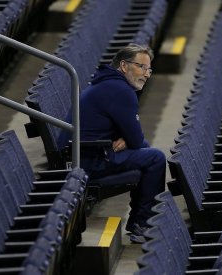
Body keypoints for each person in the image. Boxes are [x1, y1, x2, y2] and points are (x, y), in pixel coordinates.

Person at [78, 43, 166, 243]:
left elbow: (134, 139)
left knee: (146, 151)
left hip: (87, 153)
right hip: (89, 160)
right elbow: (136, 138)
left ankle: (139, 222)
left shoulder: (109, 83)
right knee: (155, 158)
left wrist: (127, 139)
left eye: (149, 69)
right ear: (124, 66)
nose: (147, 74)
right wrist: (129, 139)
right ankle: (143, 223)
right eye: (141, 67)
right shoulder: (120, 91)